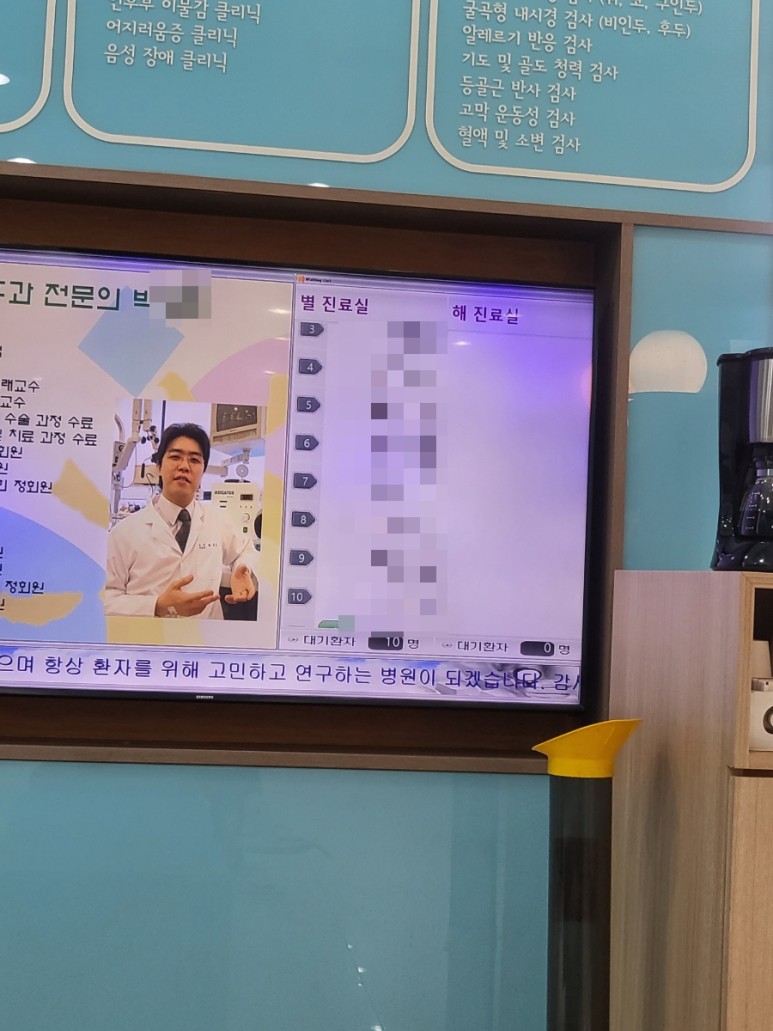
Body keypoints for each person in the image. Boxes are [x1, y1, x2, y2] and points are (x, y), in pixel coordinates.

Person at [105, 422, 259, 619]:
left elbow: (245, 550)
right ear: (159, 466)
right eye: (175, 457)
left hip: (205, 634)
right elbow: (105, 599)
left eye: (194, 460)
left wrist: (241, 568)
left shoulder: (217, 520)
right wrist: (157, 606)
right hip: (149, 635)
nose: (184, 466)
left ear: (202, 471)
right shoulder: (124, 533)